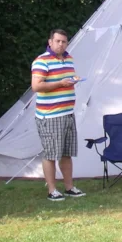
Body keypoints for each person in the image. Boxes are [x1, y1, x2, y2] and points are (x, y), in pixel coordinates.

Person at [31, 29, 86, 201]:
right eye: (57, 41)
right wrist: (60, 84)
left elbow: (65, 81)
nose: (61, 44)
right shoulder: (41, 61)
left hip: (67, 113)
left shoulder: (69, 59)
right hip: (50, 115)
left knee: (66, 153)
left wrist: (72, 81)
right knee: (50, 154)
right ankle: (52, 190)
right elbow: (37, 86)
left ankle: (69, 187)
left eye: (64, 41)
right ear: (50, 42)